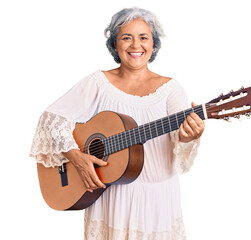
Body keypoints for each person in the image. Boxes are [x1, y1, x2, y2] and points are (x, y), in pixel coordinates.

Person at [30, 7, 205, 240]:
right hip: (110, 201)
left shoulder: (170, 89)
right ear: (114, 44)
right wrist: (76, 157)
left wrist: (188, 136)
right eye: (126, 37)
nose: (136, 45)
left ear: (154, 45)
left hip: (158, 201)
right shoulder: (98, 83)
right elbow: (51, 119)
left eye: (143, 37)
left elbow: (179, 144)